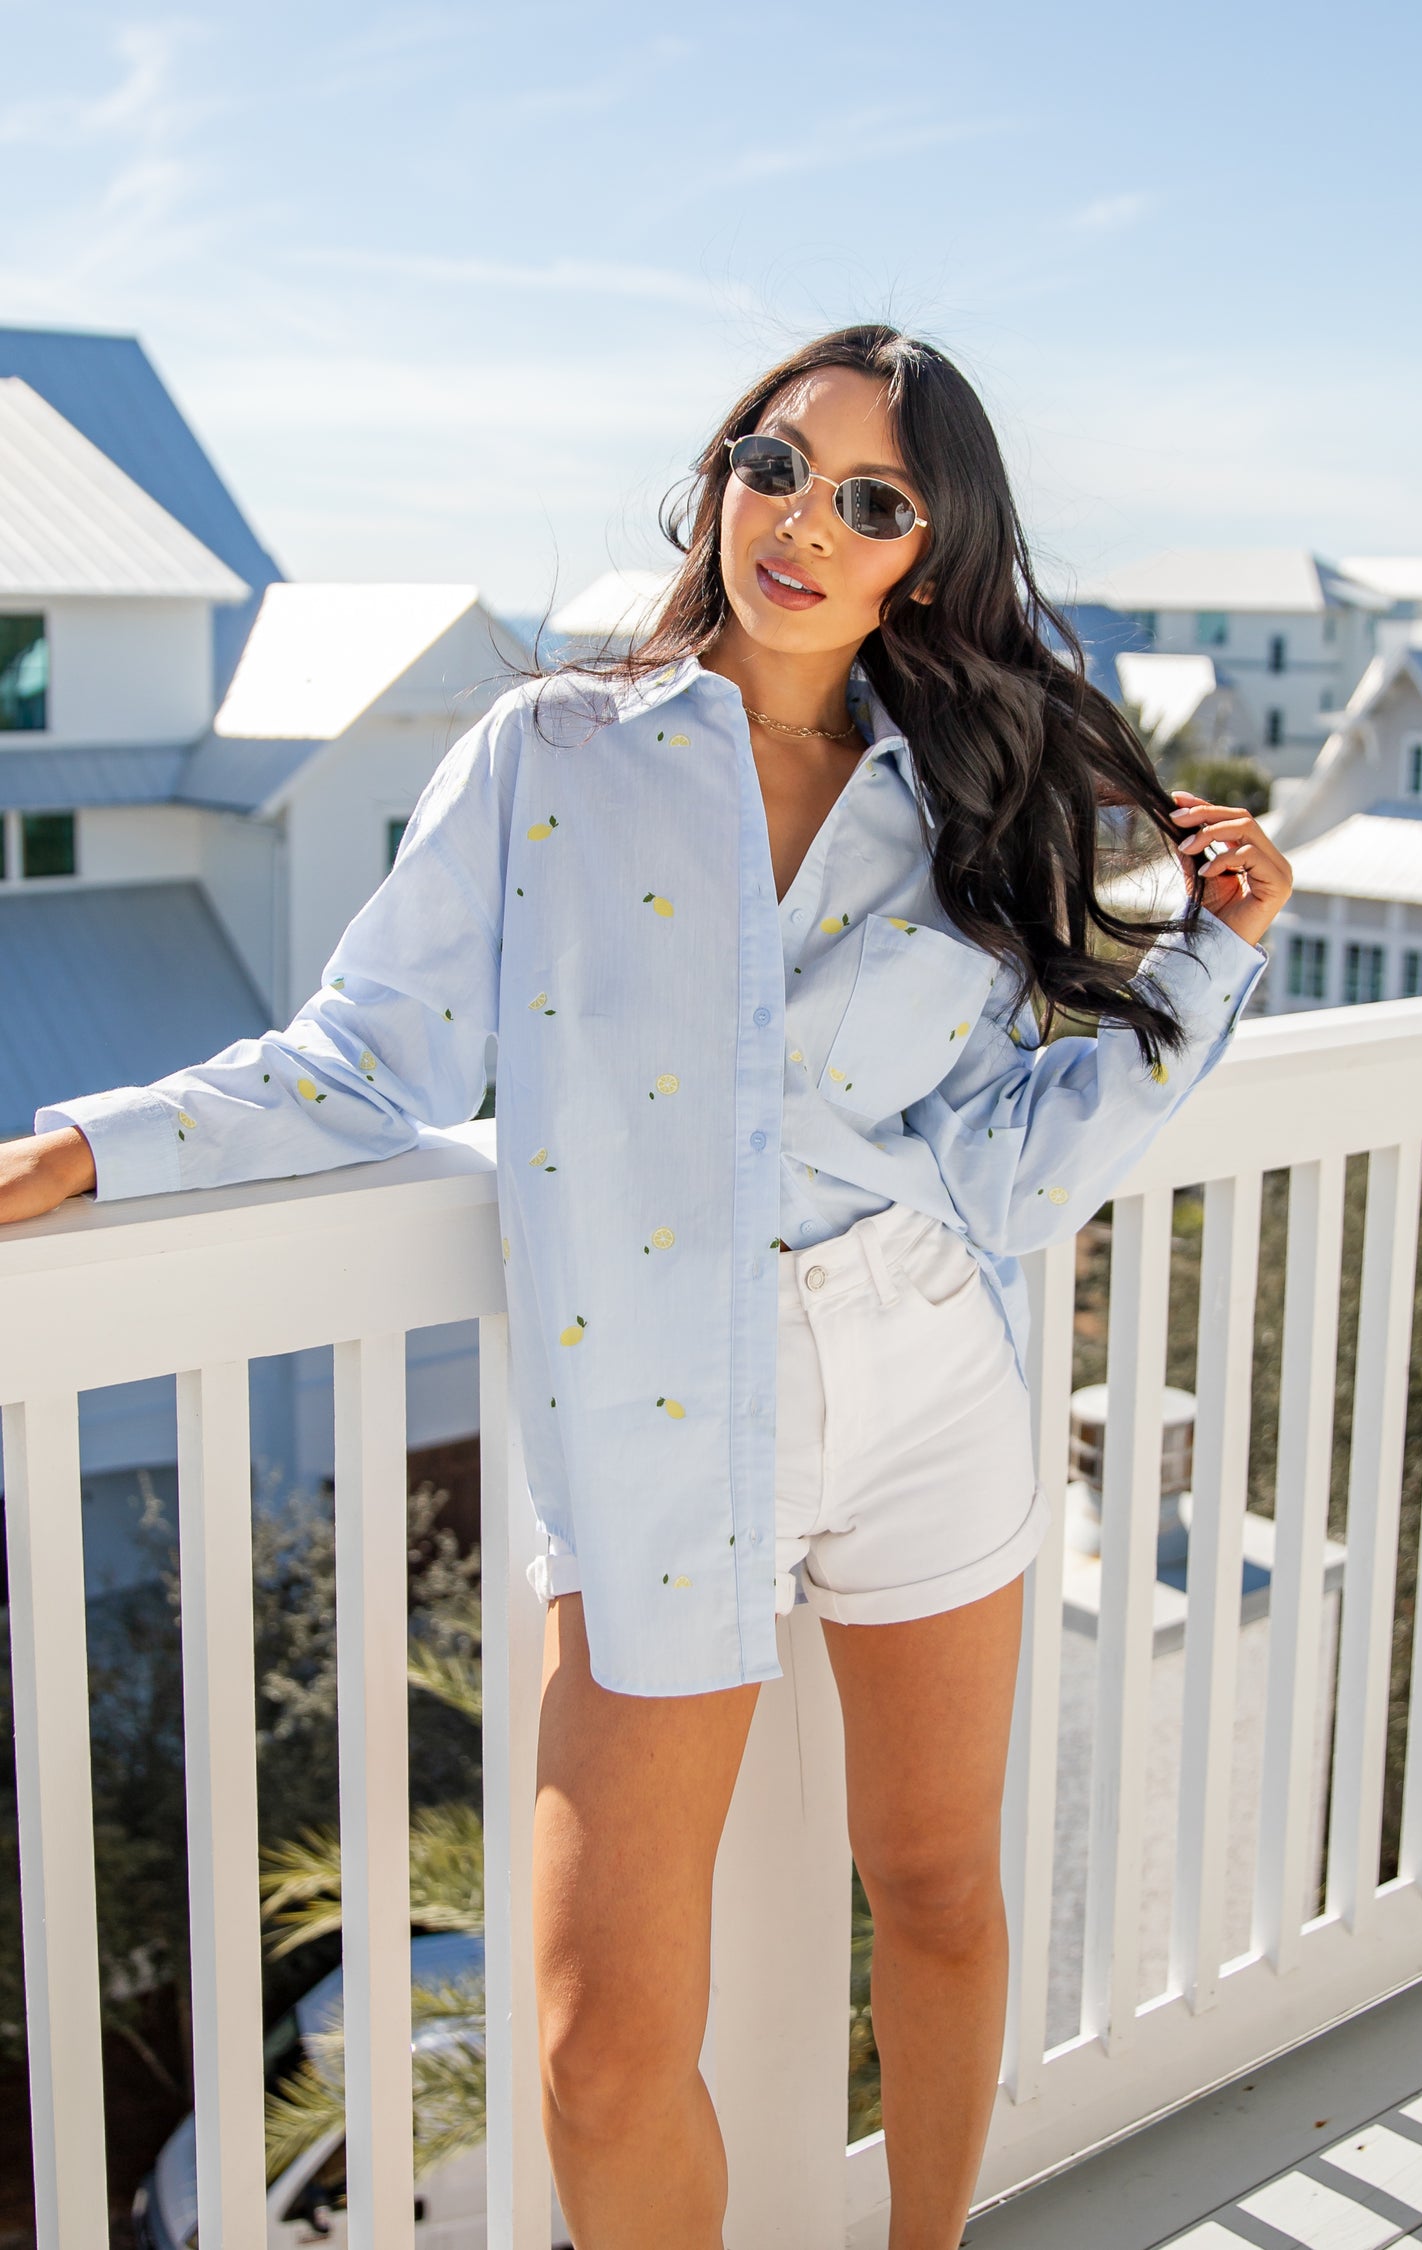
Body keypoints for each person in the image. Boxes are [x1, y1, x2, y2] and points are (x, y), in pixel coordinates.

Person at [0, 324, 1291, 2249]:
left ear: (922, 558)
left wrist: (1214, 963)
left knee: (937, 1888)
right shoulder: (556, 756)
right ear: (721, 481)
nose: (803, 521)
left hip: (924, 1369)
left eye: (871, 500)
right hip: (656, 1414)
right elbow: (371, 1053)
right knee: (600, 2048)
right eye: (776, 466)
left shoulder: (966, 800)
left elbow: (1007, 1163)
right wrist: (93, 1146)